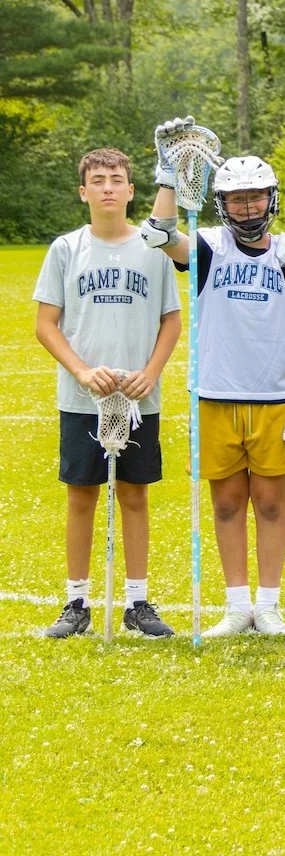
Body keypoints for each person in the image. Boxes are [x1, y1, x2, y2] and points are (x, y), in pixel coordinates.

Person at [145, 150, 285, 634]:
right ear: (222, 203)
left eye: (255, 197)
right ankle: (237, 604)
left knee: (270, 503)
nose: (247, 208)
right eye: (236, 200)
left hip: (275, 397)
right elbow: (158, 234)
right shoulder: (208, 246)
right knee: (225, 503)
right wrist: (168, 175)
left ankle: (268, 604)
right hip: (216, 394)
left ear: (271, 199)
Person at [35, 148, 181, 639]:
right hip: (84, 399)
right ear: (83, 191)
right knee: (81, 496)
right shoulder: (66, 248)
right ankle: (76, 601)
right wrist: (80, 370)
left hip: (138, 398)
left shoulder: (152, 248)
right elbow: (45, 324)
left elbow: (171, 320)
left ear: (131, 189)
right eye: (97, 180)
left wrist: (151, 373)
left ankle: (138, 603)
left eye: (116, 179)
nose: (108, 188)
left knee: (134, 495)